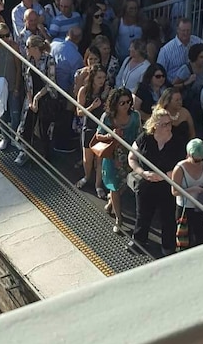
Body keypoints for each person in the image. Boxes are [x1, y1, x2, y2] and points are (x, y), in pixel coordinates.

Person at [127, 108, 185, 256]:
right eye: (164, 124)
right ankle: (139, 240)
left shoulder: (177, 142)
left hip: (167, 185)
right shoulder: (145, 138)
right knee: (143, 214)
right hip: (147, 183)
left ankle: (168, 246)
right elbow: (131, 157)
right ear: (155, 125)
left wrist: (164, 176)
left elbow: (181, 166)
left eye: (169, 123)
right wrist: (142, 172)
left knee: (168, 217)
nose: (168, 127)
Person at [96, 88, 141, 234]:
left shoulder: (135, 116)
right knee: (114, 186)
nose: (126, 105)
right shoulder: (107, 117)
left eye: (128, 102)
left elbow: (140, 135)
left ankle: (111, 204)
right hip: (112, 156)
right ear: (115, 104)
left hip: (129, 156)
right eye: (122, 103)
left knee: (125, 185)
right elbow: (98, 136)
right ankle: (119, 219)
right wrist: (111, 135)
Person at [15, 35, 58, 166]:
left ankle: (46, 156)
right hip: (32, 95)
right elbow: (26, 80)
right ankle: (24, 151)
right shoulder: (28, 60)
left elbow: (50, 83)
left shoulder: (49, 60)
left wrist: (37, 98)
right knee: (27, 124)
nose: (25, 49)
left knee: (44, 128)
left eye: (27, 47)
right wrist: (30, 100)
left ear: (34, 48)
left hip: (45, 96)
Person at [75, 65, 110, 196]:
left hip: (102, 128)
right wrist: (92, 106)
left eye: (103, 77)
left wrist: (106, 96)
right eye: (99, 77)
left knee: (100, 158)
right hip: (88, 126)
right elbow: (79, 112)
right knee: (87, 158)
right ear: (93, 78)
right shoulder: (84, 91)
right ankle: (87, 176)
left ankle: (98, 185)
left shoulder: (106, 91)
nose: (101, 80)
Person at [171, 138, 203, 249]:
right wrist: (193, 189)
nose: (198, 163)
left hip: (200, 206)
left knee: (200, 237)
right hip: (185, 208)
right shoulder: (179, 168)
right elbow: (174, 192)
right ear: (188, 154)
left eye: (200, 160)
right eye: (196, 160)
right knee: (184, 240)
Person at [0, 23, 22, 151]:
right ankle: (5, 138)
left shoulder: (14, 46)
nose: (7, 38)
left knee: (15, 114)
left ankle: (14, 138)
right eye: (4, 36)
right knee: (1, 115)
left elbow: (19, 68)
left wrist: (17, 87)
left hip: (12, 85)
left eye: (8, 35)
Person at [157, 17, 203, 86]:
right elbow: (159, 73)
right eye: (183, 30)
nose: (185, 33)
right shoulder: (166, 50)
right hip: (175, 88)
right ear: (177, 30)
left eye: (188, 30)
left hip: (199, 84)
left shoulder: (198, 41)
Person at [50, 26, 84, 95]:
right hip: (63, 93)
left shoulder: (54, 43)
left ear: (67, 34)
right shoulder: (77, 58)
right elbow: (75, 80)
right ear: (80, 38)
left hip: (48, 87)